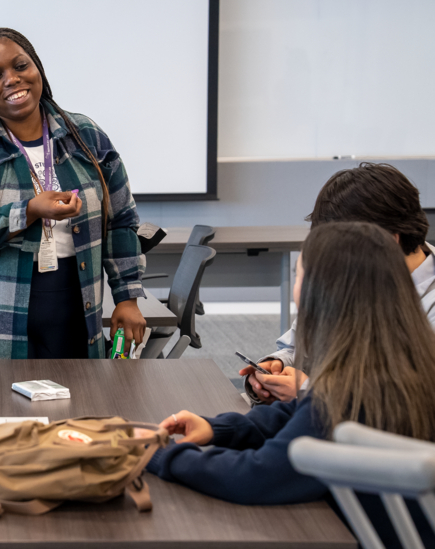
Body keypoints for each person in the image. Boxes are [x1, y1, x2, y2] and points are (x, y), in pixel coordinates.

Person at [147, 222, 435, 548]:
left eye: (298, 276)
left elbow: (255, 477)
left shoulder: (350, 394)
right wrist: (219, 429)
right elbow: (296, 415)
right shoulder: (397, 361)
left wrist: (161, 454)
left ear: (320, 294)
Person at [0, 28, 146, 361]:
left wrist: (127, 297)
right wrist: (27, 211)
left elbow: (121, 220)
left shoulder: (85, 137)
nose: (12, 80)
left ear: (37, 68)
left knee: (76, 410)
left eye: (21, 66)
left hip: (74, 309)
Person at [241, 163, 435, 403]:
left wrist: (310, 392)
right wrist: (275, 367)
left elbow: (411, 404)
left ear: (388, 241)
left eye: (341, 246)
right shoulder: (351, 274)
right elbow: (299, 347)